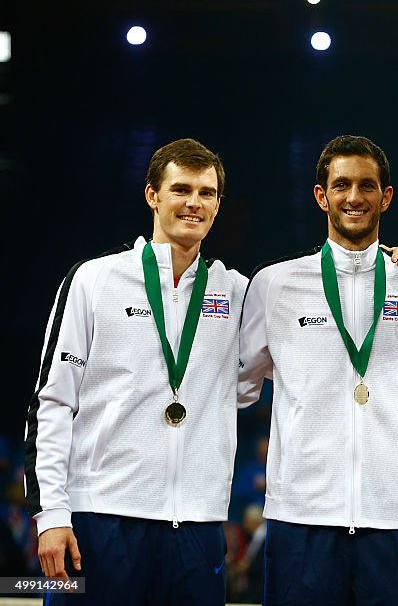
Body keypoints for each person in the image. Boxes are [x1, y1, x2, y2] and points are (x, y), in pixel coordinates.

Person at [24, 138, 247, 605]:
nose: (194, 203)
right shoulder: (94, 279)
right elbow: (53, 401)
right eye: (181, 189)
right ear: (152, 195)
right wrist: (51, 514)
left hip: (197, 525)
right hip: (99, 518)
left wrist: (385, 265)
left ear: (218, 204)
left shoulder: (238, 292)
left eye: (207, 193)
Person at [238, 134, 398, 605]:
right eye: (341, 185)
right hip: (300, 519)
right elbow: (234, 384)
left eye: (367, 185)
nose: (354, 197)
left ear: (386, 196)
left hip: (393, 519)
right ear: (321, 196)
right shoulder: (275, 284)